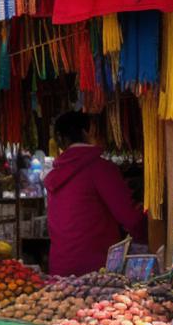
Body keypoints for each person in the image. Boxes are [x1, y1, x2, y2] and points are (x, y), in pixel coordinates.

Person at [45, 111, 147, 276]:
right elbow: (130, 218)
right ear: (87, 132)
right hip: (96, 271)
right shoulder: (100, 168)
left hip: (59, 269)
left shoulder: (55, 174)